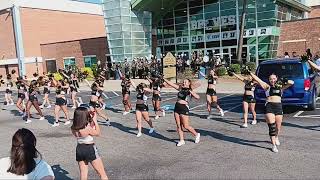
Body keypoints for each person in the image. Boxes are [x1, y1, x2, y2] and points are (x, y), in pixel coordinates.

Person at [249, 72, 294, 152]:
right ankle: (273, 145)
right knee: (272, 128)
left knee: (278, 127)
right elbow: (258, 79)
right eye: (270, 79)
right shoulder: (267, 87)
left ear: (276, 79)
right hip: (269, 107)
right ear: (269, 80)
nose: (272, 80)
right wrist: (249, 72)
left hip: (279, 107)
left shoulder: (281, 87)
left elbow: (292, 82)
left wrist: (284, 81)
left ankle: (276, 137)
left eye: (273, 78)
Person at [71, 107, 109, 180]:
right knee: (102, 174)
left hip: (79, 149)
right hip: (89, 148)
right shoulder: (87, 129)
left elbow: (85, 125)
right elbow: (98, 133)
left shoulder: (73, 128)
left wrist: (91, 120)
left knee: (83, 174)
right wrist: (95, 121)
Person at [163, 78, 201, 147]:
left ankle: (196, 134)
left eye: (185, 82)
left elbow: (198, 97)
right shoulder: (180, 88)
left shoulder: (189, 91)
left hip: (184, 108)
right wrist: (163, 78)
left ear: (189, 83)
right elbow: (171, 84)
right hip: (177, 107)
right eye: (183, 82)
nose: (184, 83)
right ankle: (181, 140)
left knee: (186, 126)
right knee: (178, 125)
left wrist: (190, 91)